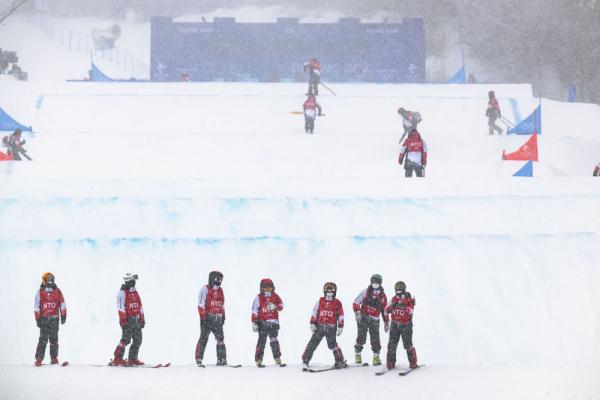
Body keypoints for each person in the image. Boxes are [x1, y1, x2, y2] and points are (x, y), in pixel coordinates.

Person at [301, 282, 347, 370]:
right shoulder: (321, 300)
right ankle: (305, 360)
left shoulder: (337, 302)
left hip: (331, 327)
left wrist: (340, 326)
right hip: (320, 326)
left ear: (334, 292)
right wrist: (312, 322)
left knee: (332, 344)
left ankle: (339, 360)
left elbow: (341, 315)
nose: (329, 294)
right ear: (324, 292)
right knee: (313, 343)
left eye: (331, 292)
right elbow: (315, 311)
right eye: (327, 291)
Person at [352, 274, 388, 366]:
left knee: (375, 338)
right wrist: (357, 312)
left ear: (380, 283)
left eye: (377, 283)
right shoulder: (366, 292)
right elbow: (356, 302)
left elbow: (384, 310)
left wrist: (386, 322)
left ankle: (376, 358)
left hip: (375, 319)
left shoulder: (383, 296)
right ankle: (358, 355)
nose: (375, 285)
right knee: (361, 336)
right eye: (373, 283)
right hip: (363, 316)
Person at [111, 273, 145, 366]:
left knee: (138, 339)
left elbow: (140, 306)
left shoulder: (135, 292)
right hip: (128, 320)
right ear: (127, 282)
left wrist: (142, 319)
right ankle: (117, 358)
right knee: (125, 339)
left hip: (137, 320)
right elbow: (120, 307)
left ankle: (133, 359)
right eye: (132, 281)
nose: (134, 283)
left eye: (134, 281)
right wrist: (123, 320)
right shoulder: (122, 293)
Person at [195, 270, 228, 367]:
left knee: (220, 339)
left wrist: (223, 316)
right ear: (211, 279)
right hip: (207, 318)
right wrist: (203, 317)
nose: (218, 283)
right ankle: (199, 359)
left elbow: (222, 304)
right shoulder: (205, 289)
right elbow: (201, 304)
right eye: (217, 280)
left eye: (220, 281)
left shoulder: (220, 290)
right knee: (204, 338)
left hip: (217, 318)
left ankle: (222, 360)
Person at [34, 272, 67, 366]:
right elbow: (36, 306)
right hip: (47, 318)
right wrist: (37, 318)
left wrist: (63, 315)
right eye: (47, 279)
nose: (49, 281)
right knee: (46, 339)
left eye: (50, 279)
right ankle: (40, 359)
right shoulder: (40, 292)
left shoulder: (56, 291)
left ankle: (53, 358)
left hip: (53, 318)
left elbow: (62, 303)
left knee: (52, 339)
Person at [385, 281, 418, 370]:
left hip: (406, 325)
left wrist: (403, 305)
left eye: (400, 289)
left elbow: (411, 310)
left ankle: (413, 363)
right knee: (391, 345)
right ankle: (390, 363)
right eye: (397, 289)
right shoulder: (393, 299)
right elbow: (386, 310)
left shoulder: (408, 299)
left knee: (408, 345)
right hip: (395, 325)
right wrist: (393, 306)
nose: (398, 291)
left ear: (403, 289)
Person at [251, 278, 285, 367]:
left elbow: (281, 305)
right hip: (263, 323)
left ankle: (277, 359)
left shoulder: (275, 296)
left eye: (269, 288)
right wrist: (254, 322)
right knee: (261, 342)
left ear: (272, 288)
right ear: (262, 288)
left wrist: (275, 306)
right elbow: (254, 310)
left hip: (273, 323)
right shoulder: (259, 297)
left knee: (274, 341)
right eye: (265, 288)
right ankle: (258, 360)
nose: (267, 290)